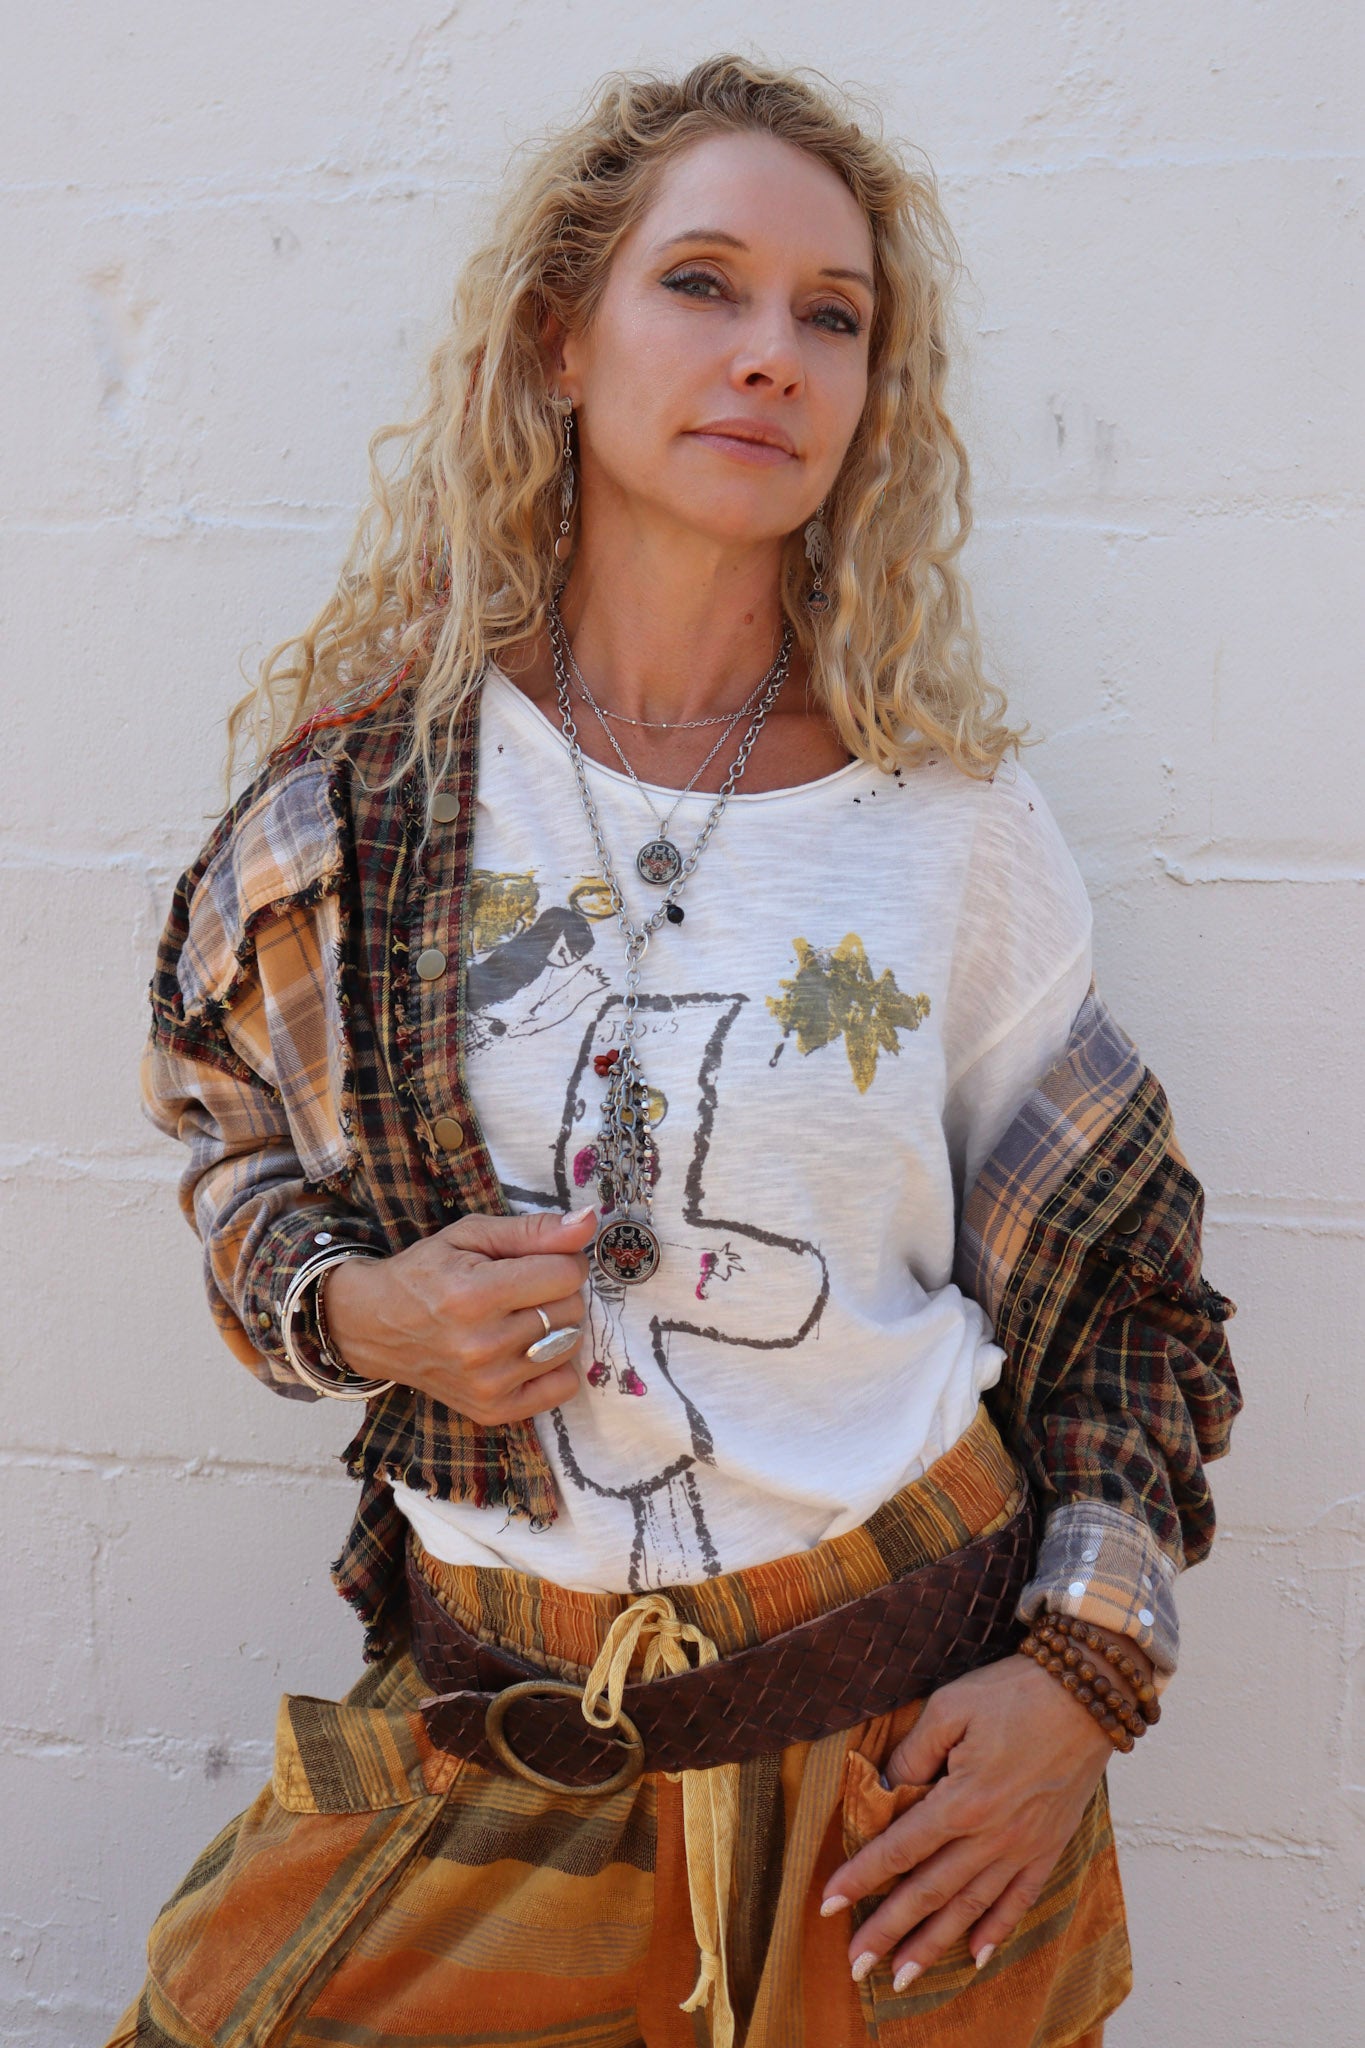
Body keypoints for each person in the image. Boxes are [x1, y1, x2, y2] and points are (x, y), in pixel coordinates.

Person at [108, 56, 1240, 2048]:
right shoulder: (362, 807)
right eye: (700, 283)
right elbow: (229, 1155)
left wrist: (1082, 1673)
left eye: (831, 316)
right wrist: (368, 1311)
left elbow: (1130, 1299)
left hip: (903, 1785)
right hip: (500, 1724)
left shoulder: (952, 832)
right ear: (560, 339)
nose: (769, 354)